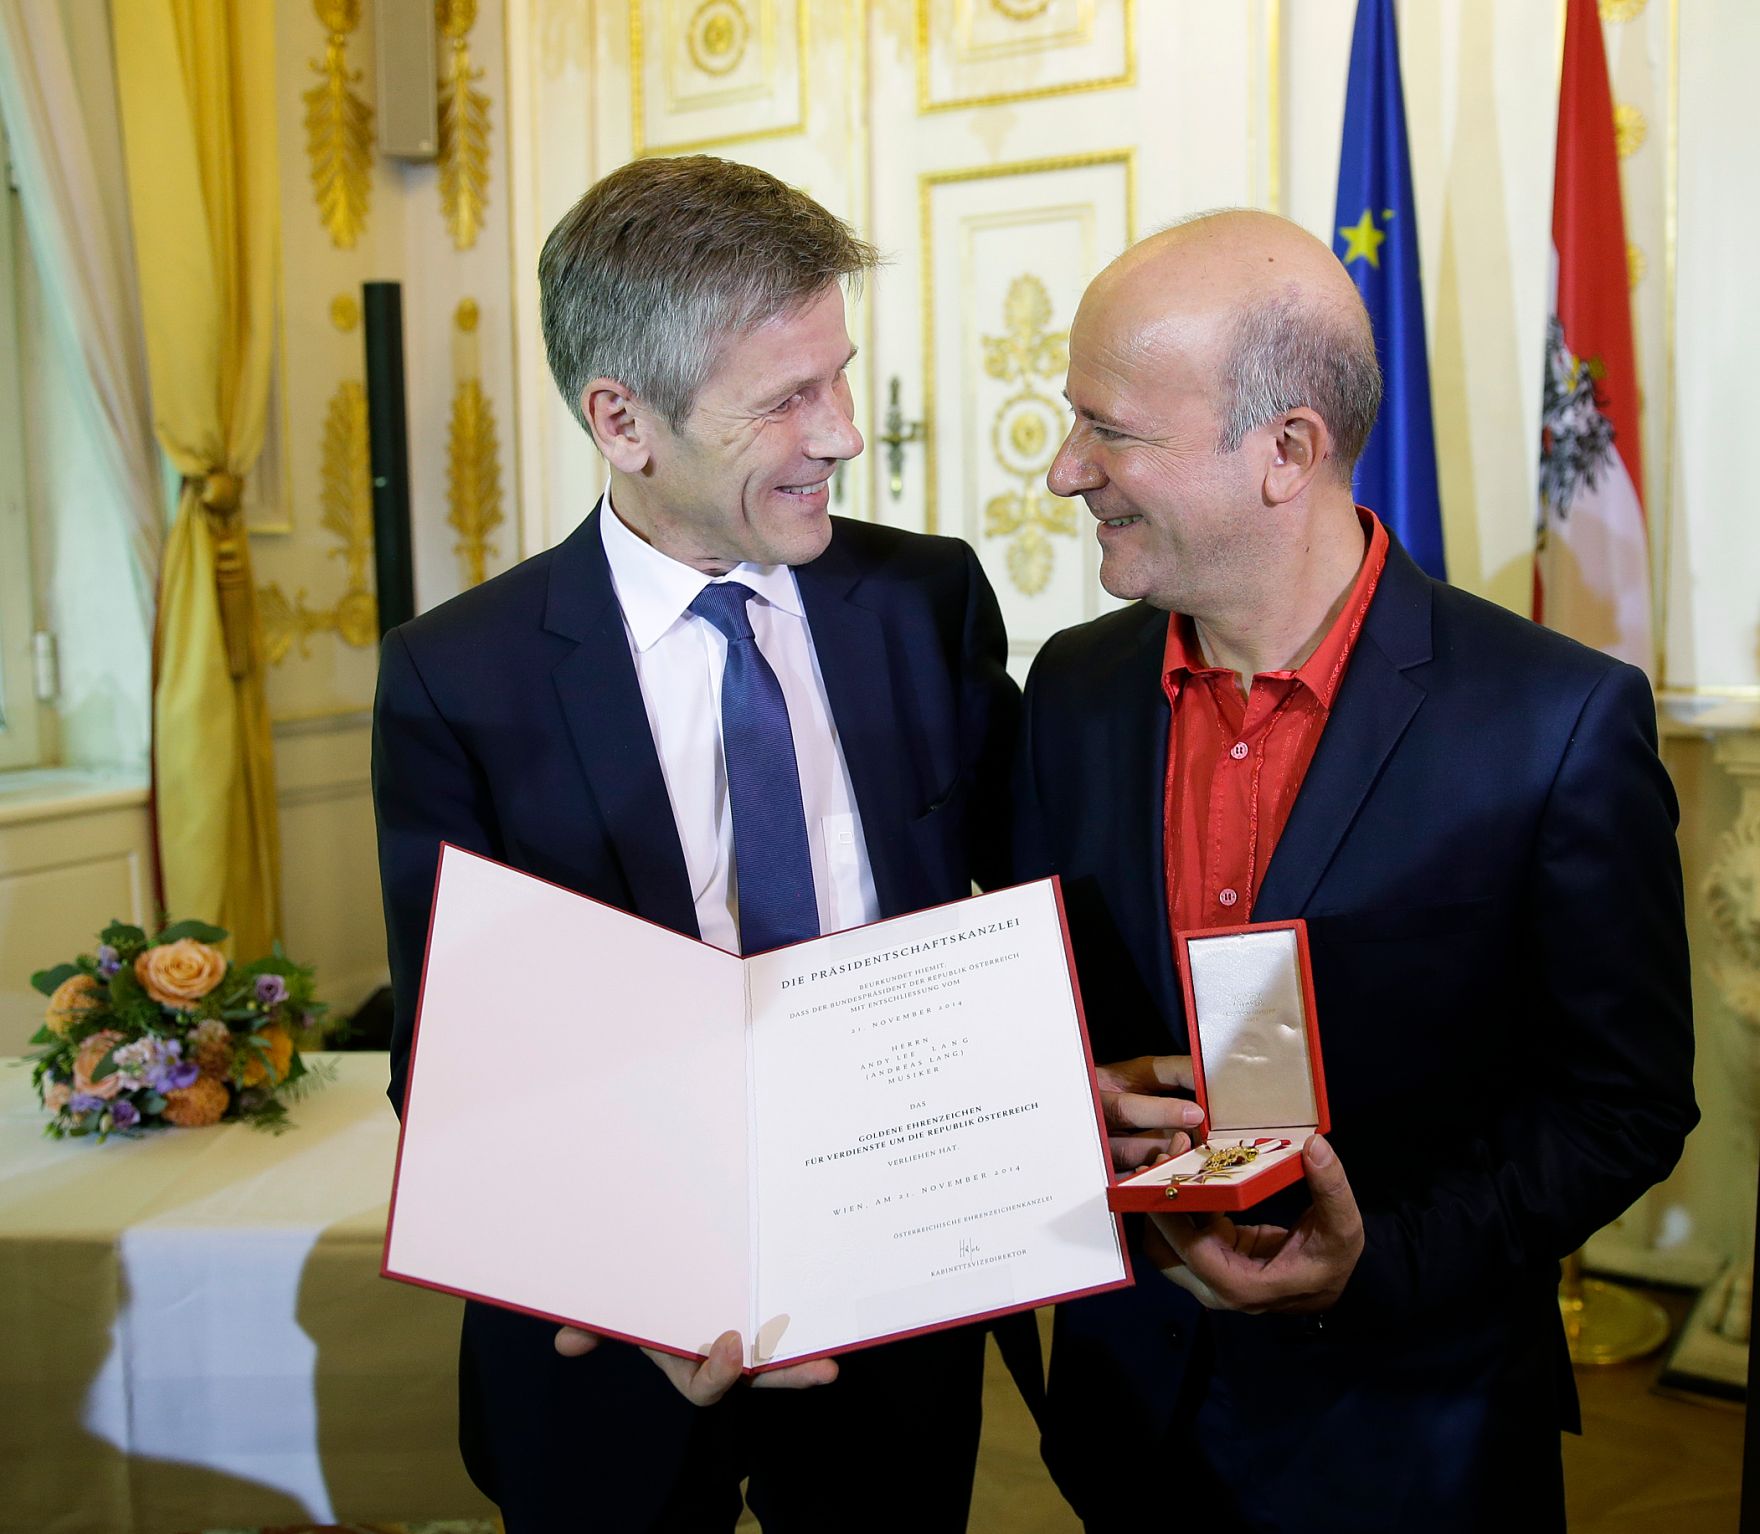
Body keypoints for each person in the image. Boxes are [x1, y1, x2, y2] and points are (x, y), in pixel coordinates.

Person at [1012, 209, 1696, 1532]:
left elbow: (1623, 1105)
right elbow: (1053, 1016)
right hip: (1128, 1424)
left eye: (1112, 430)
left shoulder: (1555, 722)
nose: (1064, 470)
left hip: (1416, 1440)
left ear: (1287, 451)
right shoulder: (1072, 690)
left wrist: (1373, 1260)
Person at [371, 155, 1019, 1532]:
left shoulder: (927, 602)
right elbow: (454, 1056)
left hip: (896, 1300)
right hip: (605, 1345)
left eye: (839, 378)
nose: (843, 434)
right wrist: (635, 1275)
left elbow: (1025, 907)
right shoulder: (459, 676)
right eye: (786, 399)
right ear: (623, 420)